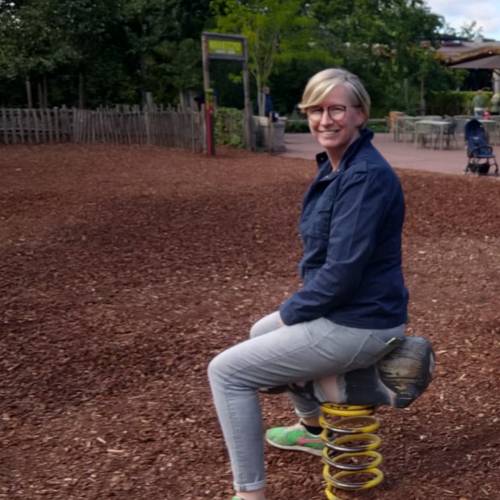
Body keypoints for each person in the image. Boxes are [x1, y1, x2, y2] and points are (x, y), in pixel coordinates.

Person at [208, 68, 408, 500]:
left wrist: (291, 313)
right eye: (316, 110)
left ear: (360, 114)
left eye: (336, 109)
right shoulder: (338, 166)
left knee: (226, 372)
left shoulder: (364, 177)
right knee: (260, 332)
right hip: (349, 311)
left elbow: (342, 273)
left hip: (360, 321)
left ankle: (249, 494)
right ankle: (314, 428)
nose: (325, 119)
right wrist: (290, 316)